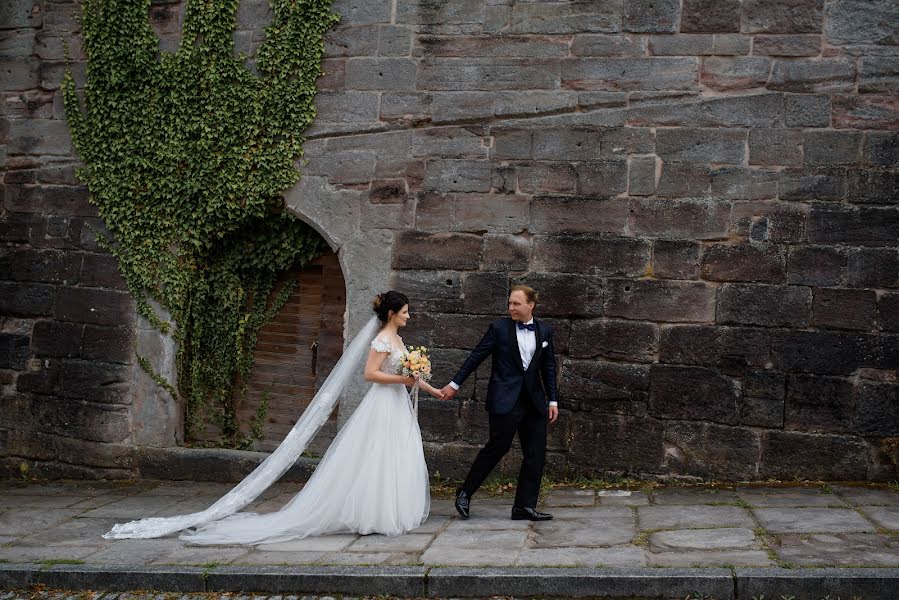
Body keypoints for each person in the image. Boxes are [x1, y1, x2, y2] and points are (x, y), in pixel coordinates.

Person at [103, 291, 443, 543]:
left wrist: (433, 389)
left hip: (397, 404)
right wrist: (404, 378)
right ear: (392, 314)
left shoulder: (397, 338)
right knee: (375, 458)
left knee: (395, 457)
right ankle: (373, 515)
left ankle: (391, 512)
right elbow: (370, 375)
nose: (409, 316)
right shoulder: (382, 340)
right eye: (405, 312)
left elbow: (411, 377)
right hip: (381, 405)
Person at [441, 285, 559, 522]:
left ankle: (524, 507)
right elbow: (476, 356)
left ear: (531, 305)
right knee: (497, 447)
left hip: (534, 401)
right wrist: (454, 384)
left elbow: (548, 368)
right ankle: (465, 492)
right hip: (505, 399)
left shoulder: (545, 331)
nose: (511, 308)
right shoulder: (499, 328)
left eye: (516, 304)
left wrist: (553, 400)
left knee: (535, 454)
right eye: (510, 303)